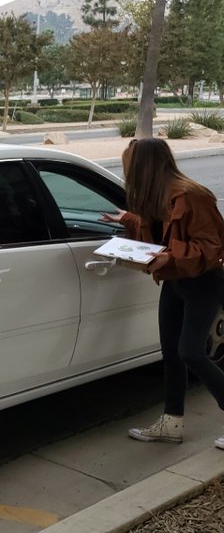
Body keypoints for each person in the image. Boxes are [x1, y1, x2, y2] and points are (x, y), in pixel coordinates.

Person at [101, 138, 224, 450]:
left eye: (129, 163)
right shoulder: (157, 196)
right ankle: (171, 424)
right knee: (171, 355)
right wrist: (127, 219)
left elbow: (212, 246)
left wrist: (172, 255)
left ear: (144, 166)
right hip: (174, 282)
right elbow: (156, 228)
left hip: (203, 281)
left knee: (191, 352)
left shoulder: (192, 195)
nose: (126, 170)